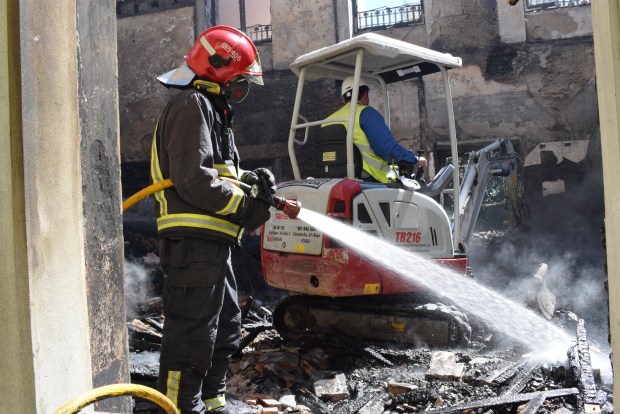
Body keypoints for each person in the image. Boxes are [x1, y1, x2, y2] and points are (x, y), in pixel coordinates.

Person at [150, 25, 275, 414]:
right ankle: (179, 407)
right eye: (239, 81)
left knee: (225, 329)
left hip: (213, 243)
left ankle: (213, 403)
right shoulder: (192, 104)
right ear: (218, 67)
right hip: (194, 244)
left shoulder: (211, 110)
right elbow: (194, 178)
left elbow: (217, 173)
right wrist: (244, 207)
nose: (241, 90)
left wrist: (249, 183)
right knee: (192, 336)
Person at [323, 76, 425, 183]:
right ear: (365, 94)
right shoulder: (366, 113)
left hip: (336, 179)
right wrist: (414, 159)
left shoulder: (327, 121)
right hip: (370, 178)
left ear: (344, 99)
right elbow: (387, 150)